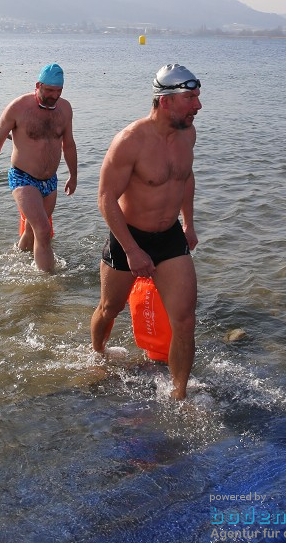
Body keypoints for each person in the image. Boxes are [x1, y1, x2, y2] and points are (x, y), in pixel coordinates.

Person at [90, 63, 202, 399]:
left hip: (170, 237)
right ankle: (97, 354)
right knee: (110, 307)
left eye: (197, 97)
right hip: (130, 237)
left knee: (184, 320)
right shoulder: (130, 141)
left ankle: (179, 394)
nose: (198, 105)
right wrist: (131, 250)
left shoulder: (188, 134)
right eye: (191, 98)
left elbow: (185, 178)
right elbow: (106, 198)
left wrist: (189, 223)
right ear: (165, 101)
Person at [0, 64, 77, 272]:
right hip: (23, 177)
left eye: (59, 91)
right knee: (43, 230)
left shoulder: (65, 109)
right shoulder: (18, 108)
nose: (54, 96)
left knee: (33, 231)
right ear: (38, 85)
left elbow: (68, 143)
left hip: (50, 180)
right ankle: (47, 284)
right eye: (49, 91)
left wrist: (73, 175)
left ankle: (16, 257)